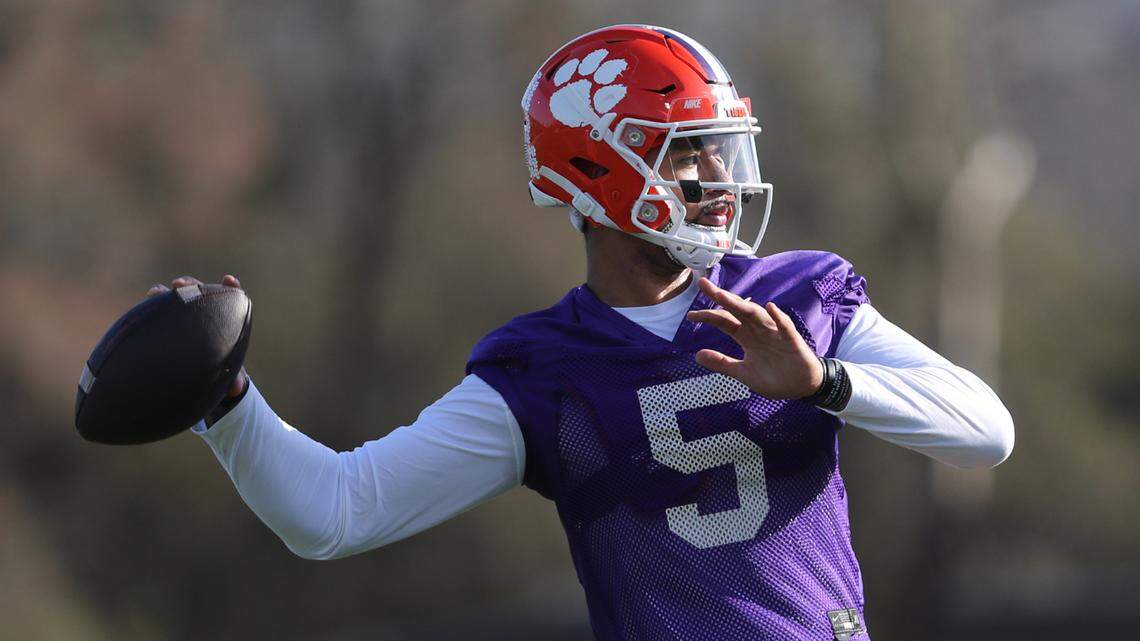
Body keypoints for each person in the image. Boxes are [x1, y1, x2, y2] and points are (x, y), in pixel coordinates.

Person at [149, 25, 1013, 641]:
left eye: (721, 148)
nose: (719, 177)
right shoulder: (543, 374)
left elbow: (987, 433)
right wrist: (226, 400)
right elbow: (335, 510)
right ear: (599, 169)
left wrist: (825, 381)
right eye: (688, 151)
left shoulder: (799, 300)